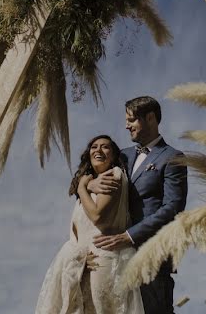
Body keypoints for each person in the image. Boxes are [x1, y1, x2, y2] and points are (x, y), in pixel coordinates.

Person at [89, 96, 188, 314]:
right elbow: (87, 168)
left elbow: (172, 208)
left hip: (150, 256)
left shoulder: (173, 158)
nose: (126, 125)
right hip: (114, 258)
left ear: (150, 118)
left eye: (132, 120)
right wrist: (89, 182)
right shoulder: (121, 155)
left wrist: (129, 236)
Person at [36, 134, 145, 314]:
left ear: (113, 155)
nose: (98, 150)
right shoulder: (90, 186)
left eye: (105, 147)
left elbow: (97, 216)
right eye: (94, 147)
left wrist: (81, 187)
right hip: (83, 262)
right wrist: (77, 258)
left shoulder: (113, 174)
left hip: (103, 259)